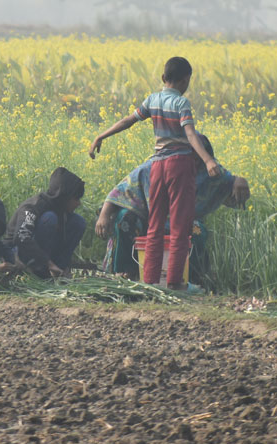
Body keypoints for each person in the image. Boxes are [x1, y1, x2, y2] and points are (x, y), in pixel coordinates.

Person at [89, 56, 221, 290]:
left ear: (163, 78)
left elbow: (127, 121)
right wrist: (208, 160)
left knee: (155, 225)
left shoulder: (152, 100)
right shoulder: (182, 104)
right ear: (186, 80)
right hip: (179, 164)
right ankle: (175, 283)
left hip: (157, 166)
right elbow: (190, 135)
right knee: (181, 226)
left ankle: (149, 281)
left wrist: (101, 135)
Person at [94, 134, 250, 282]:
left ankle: (192, 277)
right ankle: (125, 272)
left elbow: (232, 183)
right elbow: (119, 191)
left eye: (197, 157)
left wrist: (239, 180)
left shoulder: (206, 171)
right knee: (124, 219)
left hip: (183, 222)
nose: (192, 161)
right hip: (147, 220)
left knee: (198, 231)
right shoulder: (154, 166)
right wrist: (104, 215)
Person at [5, 167, 87, 278]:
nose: (79, 203)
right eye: (76, 199)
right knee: (50, 218)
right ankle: (39, 272)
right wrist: (48, 264)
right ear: (65, 197)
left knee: (79, 222)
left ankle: (59, 272)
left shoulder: (62, 210)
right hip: (18, 253)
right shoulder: (32, 207)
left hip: (43, 256)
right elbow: (21, 238)